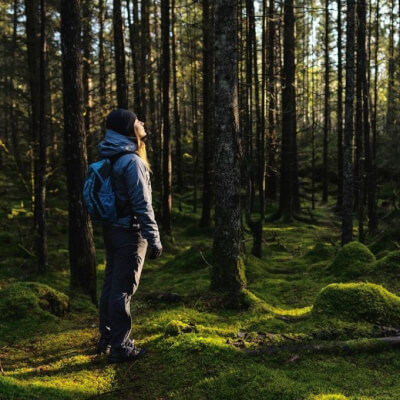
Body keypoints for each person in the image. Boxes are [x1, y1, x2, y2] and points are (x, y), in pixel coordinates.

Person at [97, 109, 162, 363]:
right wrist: (154, 238)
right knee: (122, 290)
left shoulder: (110, 157)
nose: (142, 122)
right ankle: (121, 347)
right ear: (128, 129)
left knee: (111, 285)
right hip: (130, 233)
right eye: (137, 121)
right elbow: (142, 205)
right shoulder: (131, 161)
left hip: (112, 229)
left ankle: (107, 337)